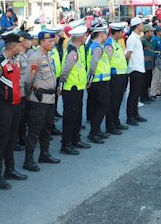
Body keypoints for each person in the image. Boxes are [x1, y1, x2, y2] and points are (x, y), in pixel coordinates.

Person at [0, 32, 29, 191]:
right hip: (2, 107)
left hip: (15, 105)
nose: (21, 47)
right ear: (13, 47)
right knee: (0, 142)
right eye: (19, 45)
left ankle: (10, 170)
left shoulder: (14, 61)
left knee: (11, 140)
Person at [22, 31, 61, 172]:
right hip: (39, 99)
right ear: (42, 42)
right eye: (50, 41)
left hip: (50, 98)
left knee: (47, 128)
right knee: (34, 129)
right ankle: (28, 159)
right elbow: (27, 80)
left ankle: (44, 154)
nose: (53, 43)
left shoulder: (48, 57)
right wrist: (28, 94)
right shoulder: (35, 57)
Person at [58, 25, 90, 154]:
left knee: (76, 116)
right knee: (70, 117)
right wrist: (61, 86)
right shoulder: (73, 52)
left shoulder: (76, 49)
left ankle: (75, 139)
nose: (86, 38)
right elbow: (65, 71)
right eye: (84, 36)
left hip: (77, 87)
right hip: (71, 88)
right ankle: (65, 144)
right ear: (81, 38)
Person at [86, 23, 111, 144]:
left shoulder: (96, 46)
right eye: (105, 33)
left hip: (99, 81)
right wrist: (90, 80)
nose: (106, 35)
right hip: (99, 81)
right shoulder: (96, 47)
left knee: (99, 106)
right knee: (102, 106)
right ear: (101, 34)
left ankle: (96, 130)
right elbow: (93, 65)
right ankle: (93, 132)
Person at [105, 22, 129, 135]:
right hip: (114, 77)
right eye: (121, 32)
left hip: (121, 75)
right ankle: (110, 125)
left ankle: (116, 121)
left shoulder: (117, 42)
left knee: (118, 100)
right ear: (117, 32)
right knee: (113, 102)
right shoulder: (109, 44)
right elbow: (107, 60)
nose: (123, 33)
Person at [125, 18, 147, 126]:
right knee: (133, 94)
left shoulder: (137, 37)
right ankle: (130, 116)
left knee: (136, 93)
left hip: (139, 68)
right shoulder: (132, 38)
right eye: (141, 24)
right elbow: (128, 54)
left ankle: (135, 113)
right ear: (136, 25)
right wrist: (129, 67)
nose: (143, 26)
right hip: (134, 69)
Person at [140, 25, 155, 103]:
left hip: (150, 65)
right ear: (146, 32)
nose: (153, 33)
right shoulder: (142, 41)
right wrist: (143, 58)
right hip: (145, 65)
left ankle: (147, 96)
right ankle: (143, 97)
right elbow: (138, 52)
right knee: (144, 82)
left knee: (148, 81)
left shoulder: (150, 40)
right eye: (151, 31)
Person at [149, 26, 161, 98]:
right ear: (158, 32)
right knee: (155, 77)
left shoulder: (160, 39)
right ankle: (153, 92)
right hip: (156, 59)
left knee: (159, 77)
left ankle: (158, 91)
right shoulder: (155, 40)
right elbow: (152, 49)